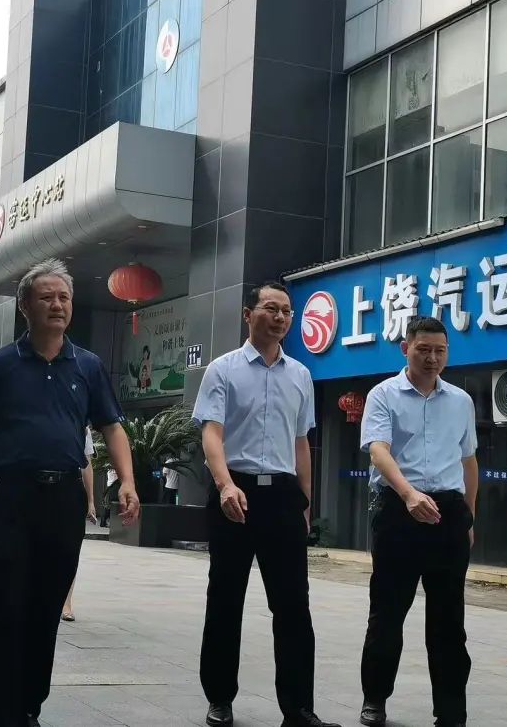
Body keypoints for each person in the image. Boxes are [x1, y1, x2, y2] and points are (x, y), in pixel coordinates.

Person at [0, 258, 140, 727]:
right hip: (10, 498)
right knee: (7, 607)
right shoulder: (0, 365)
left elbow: (112, 427)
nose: (57, 304)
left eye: (64, 297)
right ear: (24, 306)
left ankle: (30, 705)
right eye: (47, 297)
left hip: (64, 500)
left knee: (47, 607)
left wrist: (128, 481)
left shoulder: (88, 365)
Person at [192, 281, 339, 727]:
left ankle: (298, 709)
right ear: (248, 314)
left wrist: (305, 504)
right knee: (225, 599)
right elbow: (211, 432)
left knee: (293, 606)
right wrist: (224, 485)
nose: (279, 317)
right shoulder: (222, 370)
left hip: (282, 497)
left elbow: (301, 443)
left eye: (286, 311)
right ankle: (220, 698)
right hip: (234, 492)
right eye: (270, 308)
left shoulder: (301, 375)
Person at [358, 317, 478, 727]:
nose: (432, 358)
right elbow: (378, 451)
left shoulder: (461, 401)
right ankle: (375, 699)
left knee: (449, 620)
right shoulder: (383, 395)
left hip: (448, 514)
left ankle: (451, 711)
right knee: (387, 614)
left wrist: (468, 517)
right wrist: (409, 494)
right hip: (398, 512)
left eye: (440, 351)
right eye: (423, 349)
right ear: (405, 348)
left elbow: (468, 461)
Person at [61, 430, 98, 623]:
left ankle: (66, 602)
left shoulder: (82, 426)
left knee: (70, 550)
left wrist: (90, 500)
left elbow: (87, 463)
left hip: (70, 489)